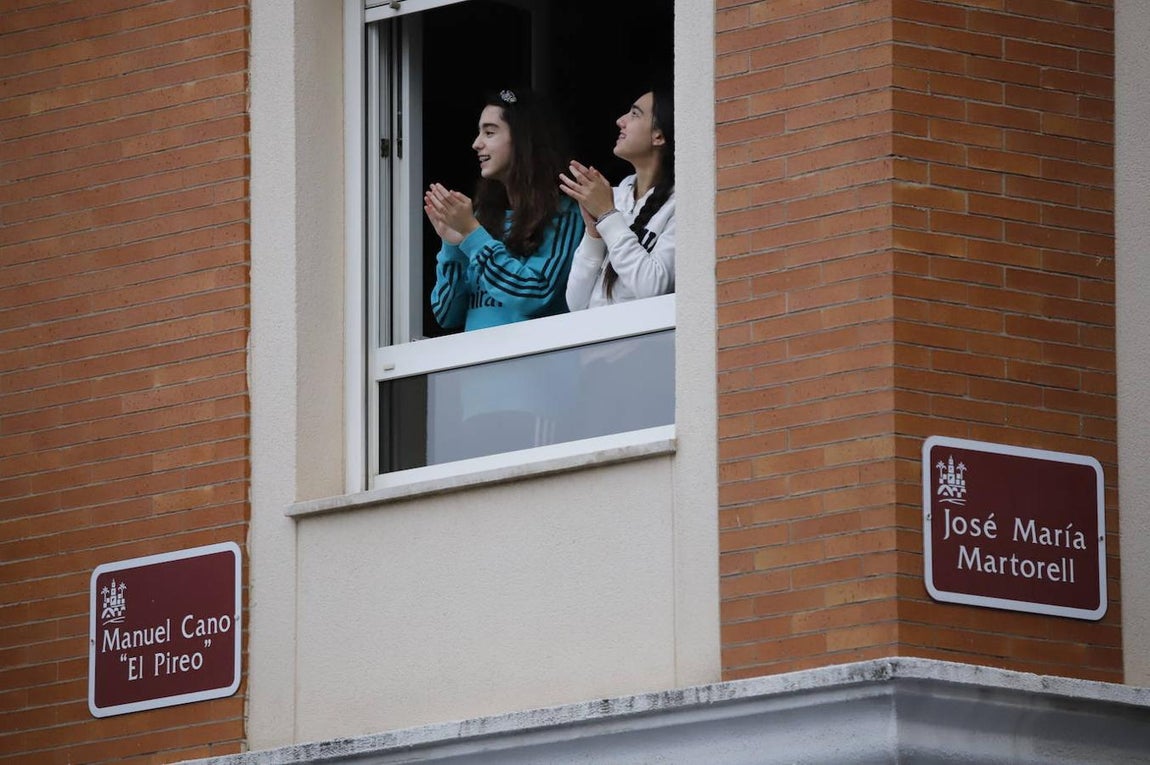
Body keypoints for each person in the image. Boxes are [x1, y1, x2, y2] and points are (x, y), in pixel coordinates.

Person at [427, 88, 584, 331]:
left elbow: (534, 295)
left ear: (524, 139)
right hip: (477, 365)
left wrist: (472, 235)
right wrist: (452, 246)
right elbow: (446, 313)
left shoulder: (564, 213)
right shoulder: (480, 219)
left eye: (489, 132)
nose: (476, 144)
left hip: (532, 364)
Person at [559, 88, 675, 309]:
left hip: (644, 340)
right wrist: (593, 234)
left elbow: (653, 288)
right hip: (599, 339)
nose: (620, 121)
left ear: (658, 136)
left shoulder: (679, 203)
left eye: (634, 114)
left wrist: (607, 215)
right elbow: (575, 303)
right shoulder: (616, 195)